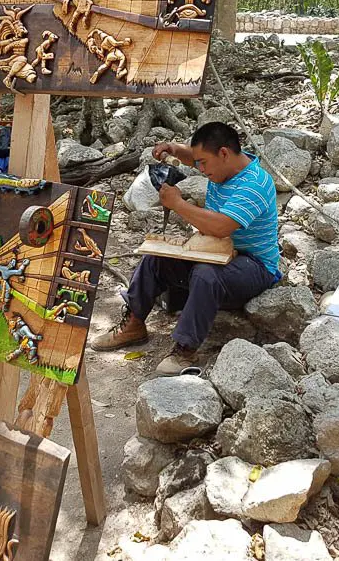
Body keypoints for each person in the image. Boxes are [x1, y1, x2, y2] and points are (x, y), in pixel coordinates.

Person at [91, 122, 281, 374]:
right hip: (214, 251)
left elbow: (222, 227)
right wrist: (173, 149)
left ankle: (185, 349)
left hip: (254, 266)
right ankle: (134, 324)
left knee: (206, 274)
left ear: (224, 153)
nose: (200, 169)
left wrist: (178, 204)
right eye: (198, 163)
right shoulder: (223, 164)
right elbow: (196, 156)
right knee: (155, 257)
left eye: (204, 163)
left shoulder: (254, 183)